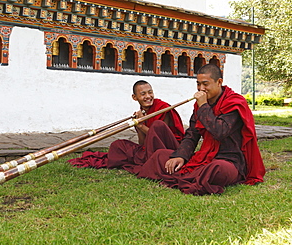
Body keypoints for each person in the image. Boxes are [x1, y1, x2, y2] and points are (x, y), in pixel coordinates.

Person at [135, 64, 265, 195]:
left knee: (216, 169)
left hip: (229, 160)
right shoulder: (199, 107)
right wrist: (181, 156)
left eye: (205, 84)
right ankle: (193, 175)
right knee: (160, 155)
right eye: (198, 84)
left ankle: (191, 176)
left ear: (219, 82)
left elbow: (220, 132)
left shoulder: (234, 103)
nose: (201, 89)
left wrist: (203, 105)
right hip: (204, 158)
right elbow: (191, 135)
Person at [68, 80, 185, 170]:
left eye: (150, 92)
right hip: (150, 151)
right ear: (135, 97)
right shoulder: (142, 113)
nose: (148, 97)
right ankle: (144, 159)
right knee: (118, 145)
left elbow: (159, 138)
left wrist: (141, 125)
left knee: (157, 125)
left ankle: (148, 160)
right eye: (143, 94)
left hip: (168, 149)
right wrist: (140, 125)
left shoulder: (163, 108)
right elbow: (143, 144)